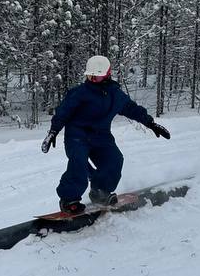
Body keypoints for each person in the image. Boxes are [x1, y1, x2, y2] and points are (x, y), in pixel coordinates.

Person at [41, 55, 170, 214]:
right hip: (77, 136)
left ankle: (100, 191)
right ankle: (69, 199)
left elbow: (131, 109)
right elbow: (63, 112)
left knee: (114, 160)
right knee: (78, 163)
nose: (92, 80)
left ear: (107, 75)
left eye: (96, 77)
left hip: (101, 136)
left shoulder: (115, 94)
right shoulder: (79, 93)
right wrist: (53, 131)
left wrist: (150, 123)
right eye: (90, 76)